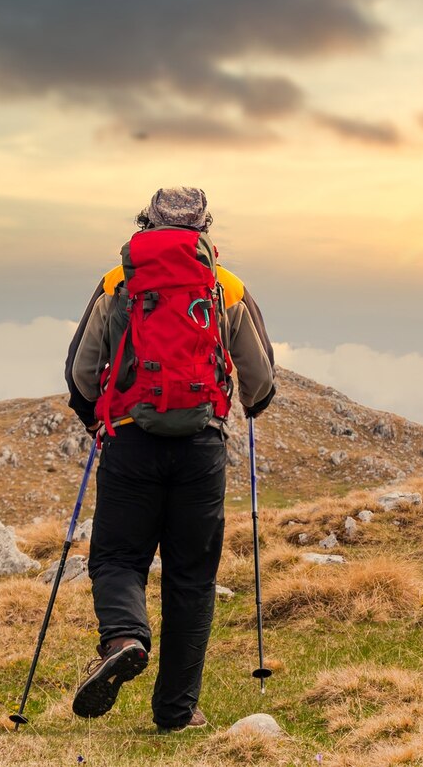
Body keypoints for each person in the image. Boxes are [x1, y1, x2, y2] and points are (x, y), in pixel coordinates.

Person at [63, 186, 276, 732]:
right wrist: (246, 406)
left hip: (131, 442)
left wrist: (96, 418)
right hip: (200, 450)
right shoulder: (225, 286)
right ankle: (176, 712)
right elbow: (262, 381)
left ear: (145, 223)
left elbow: (81, 373)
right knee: (191, 578)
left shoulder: (119, 282)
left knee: (116, 558)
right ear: (205, 228)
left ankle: (126, 638)